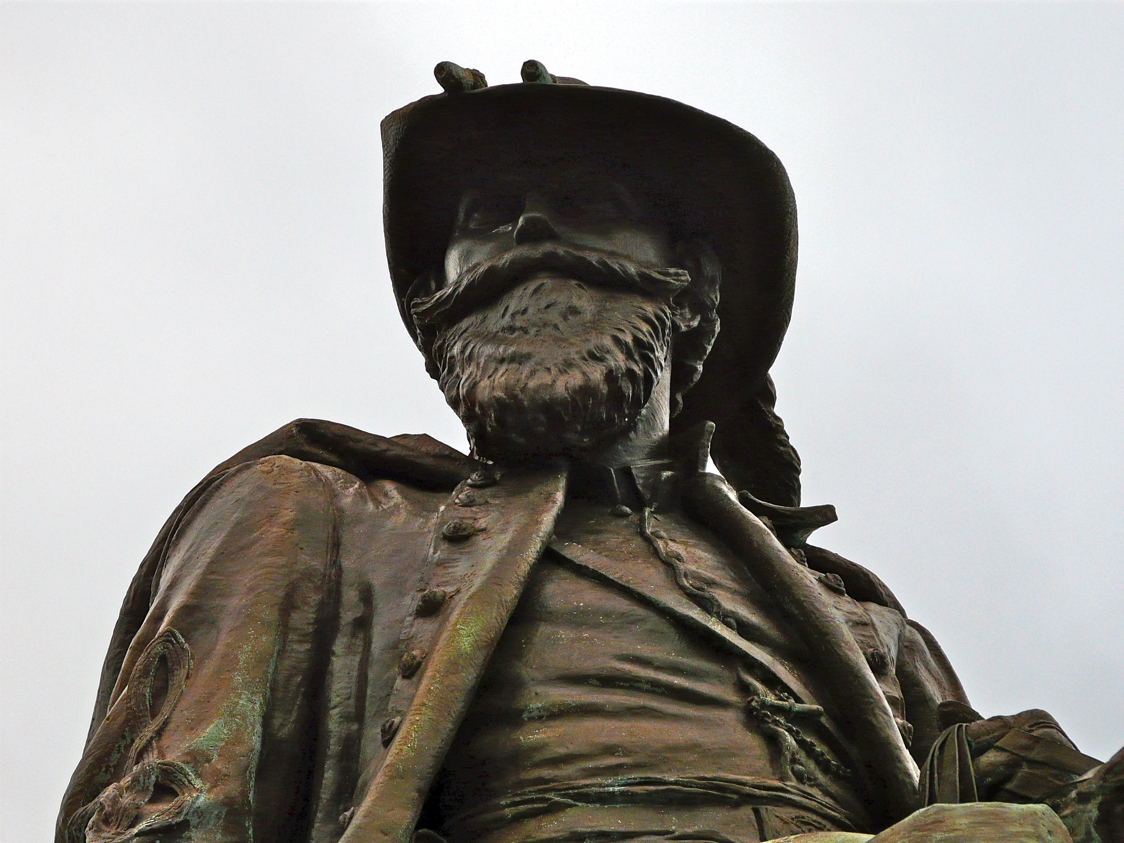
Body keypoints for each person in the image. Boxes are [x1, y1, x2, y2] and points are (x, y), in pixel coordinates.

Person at [56, 61, 1121, 843]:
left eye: (588, 206)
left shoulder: (860, 619)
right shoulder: (309, 514)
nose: (526, 235)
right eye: (485, 218)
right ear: (434, 303)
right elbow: (165, 811)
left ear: (690, 287)